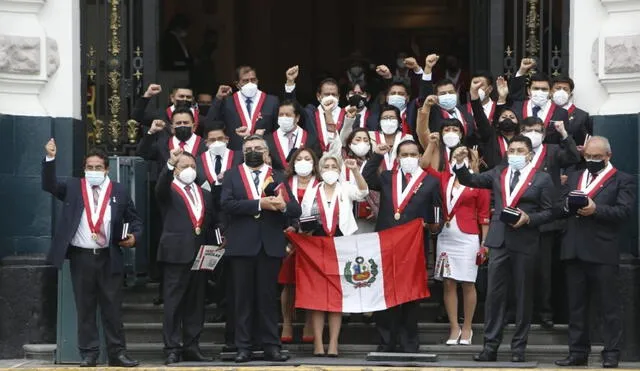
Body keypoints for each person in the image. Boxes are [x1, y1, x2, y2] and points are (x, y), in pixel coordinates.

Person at [451, 135, 554, 363]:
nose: (515, 154)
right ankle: (490, 346)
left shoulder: (542, 178)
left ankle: (518, 347)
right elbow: (471, 180)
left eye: (520, 150)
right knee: (494, 296)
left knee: (523, 295)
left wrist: (529, 218)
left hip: (525, 240)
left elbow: (550, 212)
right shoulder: (499, 172)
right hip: (499, 241)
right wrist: (460, 164)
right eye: (512, 150)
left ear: (529, 154)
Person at [42, 140, 141, 367]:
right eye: (89, 167)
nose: (93, 171)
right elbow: (49, 184)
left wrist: (135, 237)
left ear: (106, 169)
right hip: (82, 257)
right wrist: (50, 158)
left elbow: (134, 220)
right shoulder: (74, 187)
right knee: (85, 308)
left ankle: (118, 354)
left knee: (112, 308)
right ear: (84, 169)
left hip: (109, 257)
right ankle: (89, 353)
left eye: (98, 167)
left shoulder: (119, 190)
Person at [554, 136, 636, 369]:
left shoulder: (622, 180)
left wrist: (596, 210)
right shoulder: (574, 177)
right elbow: (558, 207)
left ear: (608, 156)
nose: (591, 160)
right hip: (573, 249)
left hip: (602, 250)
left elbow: (624, 212)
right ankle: (577, 352)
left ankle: (611, 353)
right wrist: (567, 206)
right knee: (576, 306)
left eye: (596, 157)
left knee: (609, 306)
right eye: (588, 156)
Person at [221, 134, 301, 363]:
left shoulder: (277, 176)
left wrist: (283, 205)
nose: (253, 151)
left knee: (267, 299)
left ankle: (271, 346)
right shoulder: (232, 175)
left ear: (266, 152)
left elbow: (295, 210)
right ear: (242, 152)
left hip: (269, 245)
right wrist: (259, 204)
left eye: (258, 148)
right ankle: (243, 347)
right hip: (242, 245)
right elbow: (226, 204)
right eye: (249, 148)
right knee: (242, 299)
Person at [362, 139, 440, 353]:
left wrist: (430, 225)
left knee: (410, 294)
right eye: (404, 154)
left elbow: (436, 215)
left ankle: (409, 342)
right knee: (385, 292)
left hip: (414, 248)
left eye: (413, 154)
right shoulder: (388, 177)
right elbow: (367, 178)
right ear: (397, 158)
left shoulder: (431, 181)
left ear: (419, 157)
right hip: (386, 244)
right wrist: (377, 155)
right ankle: (386, 341)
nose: (408, 158)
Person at [420, 132, 490, 346]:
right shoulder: (444, 179)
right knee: (449, 283)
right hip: (446, 236)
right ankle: (454, 327)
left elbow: (484, 216)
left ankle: (467, 327)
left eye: (466, 158)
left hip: (469, 237)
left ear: (472, 161)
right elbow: (424, 166)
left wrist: (484, 245)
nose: (461, 161)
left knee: (468, 283)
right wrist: (432, 145)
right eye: (457, 159)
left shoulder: (479, 183)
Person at [298, 154, 369, 356]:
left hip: (341, 246)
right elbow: (304, 220)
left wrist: (355, 170)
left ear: (339, 169)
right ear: (320, 170)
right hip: (316, 247)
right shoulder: (312, 192)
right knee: (318, 297)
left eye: (333, 166)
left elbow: (363, 192)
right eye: (326, 166)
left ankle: (334, 343)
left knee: (336, 297)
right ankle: (319, 344)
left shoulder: (346, 187)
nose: (330, 169)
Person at [518, 116, 580, 328]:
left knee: (544, 270)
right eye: (527, 130)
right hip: (521, 219)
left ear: (543, 134)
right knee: (521, 270)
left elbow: (573, 157)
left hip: (546, 220)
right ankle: (518, 311)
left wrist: (564, 134)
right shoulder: (515, 151)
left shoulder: (552, 151)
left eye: (536, 130)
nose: (532, 134)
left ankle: (545, 312)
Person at [156, 148, 217, 364]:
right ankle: (172, 347)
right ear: (175, 170)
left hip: (200, 254)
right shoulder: (168, 189)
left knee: (196, 302)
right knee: (174, 303)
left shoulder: (205, 194)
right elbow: (160, 187)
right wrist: (170, 164)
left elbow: (210, 223)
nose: (189, 170)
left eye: (192, 166)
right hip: (176, 254)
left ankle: (192, 345)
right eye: (183, 166)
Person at [278, 148, 320, 345]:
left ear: (314, 163)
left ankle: (309, 322)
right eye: (300, 159)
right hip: (288, 239)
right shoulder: (284, 185)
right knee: (288, 282)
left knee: (312, 283)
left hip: (314, 240)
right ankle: (287, 322)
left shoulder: (321, 184)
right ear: (293, 163)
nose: (303, 162)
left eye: (308, 159)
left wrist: (309, 231)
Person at [206, 66, 280, 150]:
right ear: (237, 84)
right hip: (236, 154)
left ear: (257, 81)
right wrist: (218, 98)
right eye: (245, 81)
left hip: (263, 152)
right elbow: (210, 124)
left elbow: (277, 131)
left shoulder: (271, 101)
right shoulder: (227, 102)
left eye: (253, 80)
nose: (250, 83)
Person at [506, 58, 569, 145]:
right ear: (528, 90)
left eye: (544, 89)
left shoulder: (561, 113)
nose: (540, 92)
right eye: (536, 88)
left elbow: (562, 141)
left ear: (550, 92)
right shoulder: (517, 107)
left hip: (547, 156)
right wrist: (522, 70)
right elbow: (515, 93)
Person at [468, 76, 520, 170]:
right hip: (493, 180)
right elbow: (481, 119)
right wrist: (474, 96)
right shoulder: (491, 137)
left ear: (518, 122)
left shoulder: (523, 139)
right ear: (497, 122)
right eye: (503, 117)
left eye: (512, 117)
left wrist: (503, 97)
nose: (507, 119)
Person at [136, 106, 208, 167]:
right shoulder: (163, 145)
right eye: (178, 123)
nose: (182, 125)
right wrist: (151, 132)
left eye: (185, 123)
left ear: (194, 127)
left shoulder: (205, 146)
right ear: (172, 128)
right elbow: (142, 153)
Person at [265, 100, 320, 170]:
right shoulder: (267, 140)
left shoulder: (311, 140)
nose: (284, 118)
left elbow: (316, 164)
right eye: (281, 115)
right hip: (277, 180)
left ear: (297, 118)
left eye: (288, 115)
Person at [133, 83, 205, 136]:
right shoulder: (160, 115)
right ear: (172, 98)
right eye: (181, 96)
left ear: (192, 99)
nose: (185, 99)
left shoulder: (200, 119)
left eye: (188, 97)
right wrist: (148, 95)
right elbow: (137, 116)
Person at [368, 104, 414, 172]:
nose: (388, 120)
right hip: (375, 177)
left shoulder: (407, 138)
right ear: (379, 122)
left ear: (399, 122)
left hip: (399, 178)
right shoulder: (370, 136)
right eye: (385, 118)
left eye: (392, 118)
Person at [551, 75, 593, 146]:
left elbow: (585, 144)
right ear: (550, 92)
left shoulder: (581, 116)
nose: (561, 92)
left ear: (570, 94)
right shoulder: (542, 111)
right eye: (558, 88)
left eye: (565, 89)